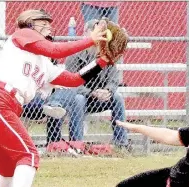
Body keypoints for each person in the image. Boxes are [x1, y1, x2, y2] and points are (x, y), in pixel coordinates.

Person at [0, 9, 110, 187]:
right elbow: (55, 48)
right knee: (29, 154)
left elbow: (74, 80)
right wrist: (89, 39)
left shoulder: (45, 64)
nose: (47, 26)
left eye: (49, 23)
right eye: (41, 22)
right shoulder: (22, 35)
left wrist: (102, 61)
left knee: (7, 161)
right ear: (28, 24)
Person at [44, 19, 128, 148]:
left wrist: (108, 91)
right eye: (96, 31)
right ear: (86, 33)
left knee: (117, 97)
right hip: (78, 98)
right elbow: (71, 84)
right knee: (79, 99)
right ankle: (77, 144)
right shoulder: (75, 55)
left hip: (100, 98)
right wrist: (91, 93)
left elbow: (113, 79)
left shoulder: (106, 52)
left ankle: (122, 143)